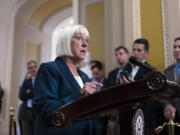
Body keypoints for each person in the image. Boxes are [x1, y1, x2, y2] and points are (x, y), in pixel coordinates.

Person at [33, 25, 102, 135]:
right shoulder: (49, 69)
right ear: (65, 42)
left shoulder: (84, 76)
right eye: (79, 38)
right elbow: (46, 109)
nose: (85, 44)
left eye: (87, 40)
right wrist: (79, 95)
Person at [163, 37, 180, 134]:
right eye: (174, 47)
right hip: (172, 118)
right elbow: (162, 92)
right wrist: (167, 105)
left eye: (179, 47)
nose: (176, 50)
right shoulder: (167, 71)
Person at [19, 60, 38, 135]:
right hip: (26, 112)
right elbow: (21, 96)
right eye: (30, 68)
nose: (33, 69)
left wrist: (29, 92)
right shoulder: (26, 82)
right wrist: (32, 93)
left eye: (34, 67)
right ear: (28, 70)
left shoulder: (42, 80)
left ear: (37, 68)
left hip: (37, 112)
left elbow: (40, 95)